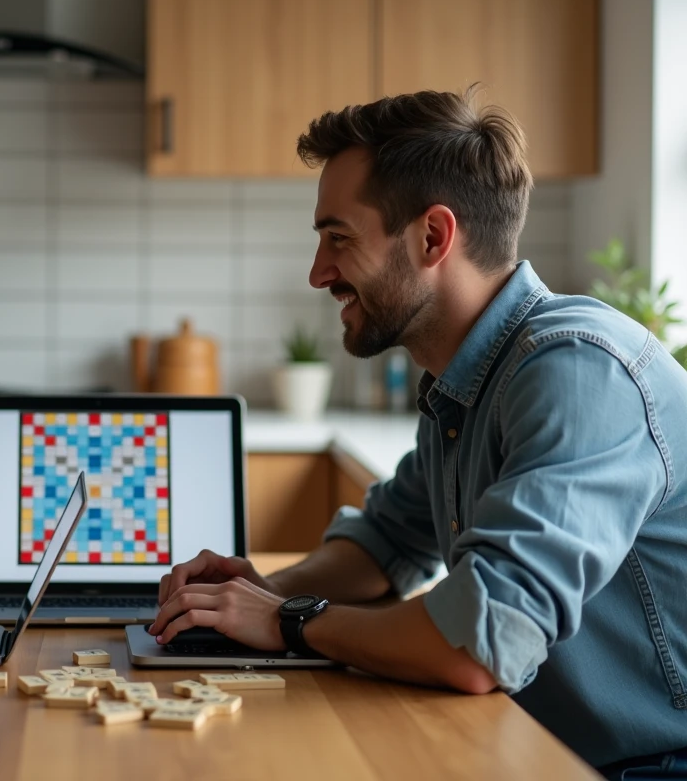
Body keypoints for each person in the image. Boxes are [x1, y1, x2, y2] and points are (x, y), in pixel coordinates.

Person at [150, 89, 687, 777]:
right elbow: (387, 544)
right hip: (545, 747)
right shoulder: (469, 379)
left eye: (339, 238)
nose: (318, 273)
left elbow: (480, 642)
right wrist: (261, 595)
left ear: (432, 237)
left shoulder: (579, 372)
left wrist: (289, 621)